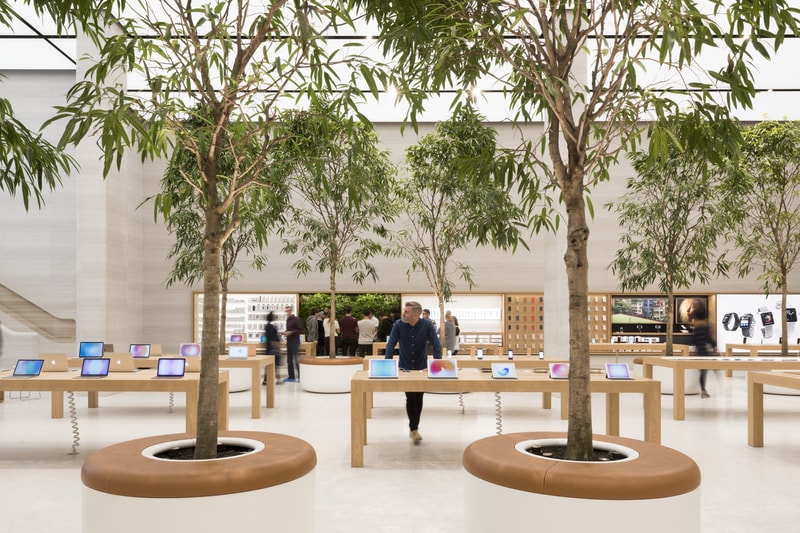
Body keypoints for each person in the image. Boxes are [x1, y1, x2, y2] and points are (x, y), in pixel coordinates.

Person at [385, 301, 442, 444]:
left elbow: (436, 344)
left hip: (421, 368)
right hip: (405, 368)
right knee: (410, 397)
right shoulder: (398, 325)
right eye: (404, 311)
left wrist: (436, 365)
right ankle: (414, 428)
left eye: (406, 312)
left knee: (419, 397)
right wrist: (388, 364)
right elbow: (391, 344)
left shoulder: (427, 325)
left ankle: (414, 427)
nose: (403, 314)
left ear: (415, 314)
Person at [687, 298, 715, 398]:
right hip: (705, 353)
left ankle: (703, 389)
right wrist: (715, 347)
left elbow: (693, 341)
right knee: (704, 372)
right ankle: (703, 390)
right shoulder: (705, 327)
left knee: (702, 372)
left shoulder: (696, 328)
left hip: (698, 352)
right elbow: (709, 339)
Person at [282, 305, 303, 383]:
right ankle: (291, 377)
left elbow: (300, 330)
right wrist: (285, 332)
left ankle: (300, 377)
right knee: (289, 360)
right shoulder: (288, 320)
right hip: (289, 342)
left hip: (295, 342)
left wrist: (291, 332)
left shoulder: (296, 319)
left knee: (296, 359)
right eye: (287, 311)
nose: (288, 312)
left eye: (289, 310)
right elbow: (289, 329)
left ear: (292, 310)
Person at [264, 312, 282, 384]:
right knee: (275, 364)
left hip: (270, 348)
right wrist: (276, 346)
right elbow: (273, 338)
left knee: (271, 364)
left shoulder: (268, 326)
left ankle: (267, 380)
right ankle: (278, 379)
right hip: (273, 348)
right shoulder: (271, 327)